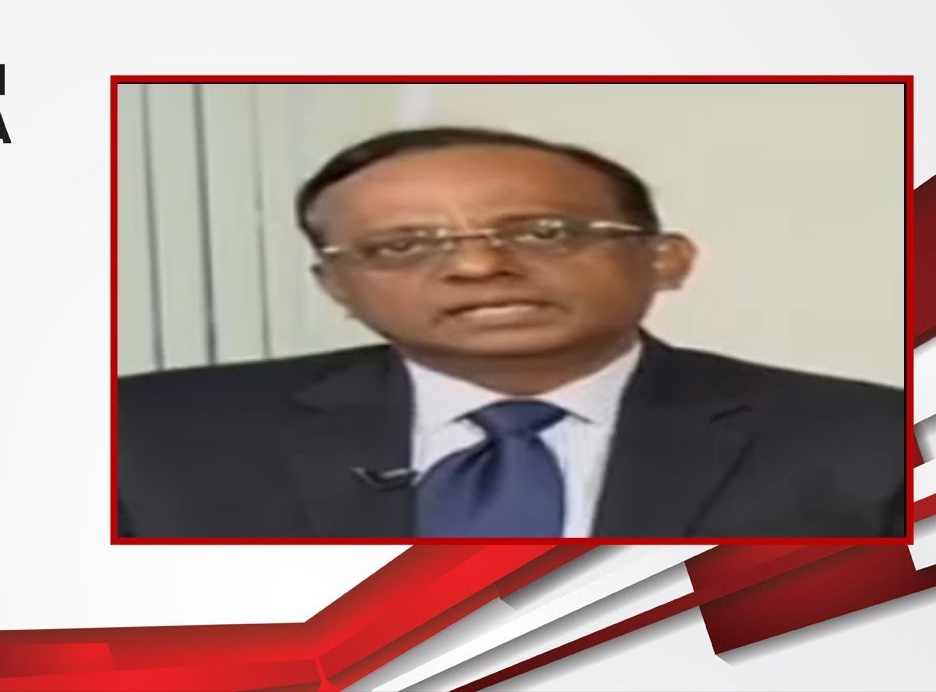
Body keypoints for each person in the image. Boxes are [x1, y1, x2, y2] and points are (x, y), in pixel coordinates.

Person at [117, 126, 905, 539]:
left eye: (545, 233)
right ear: (337, 289)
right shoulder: (143, 433)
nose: (478, 266)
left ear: (665, 261)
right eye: (402, 246)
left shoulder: (871, 438)